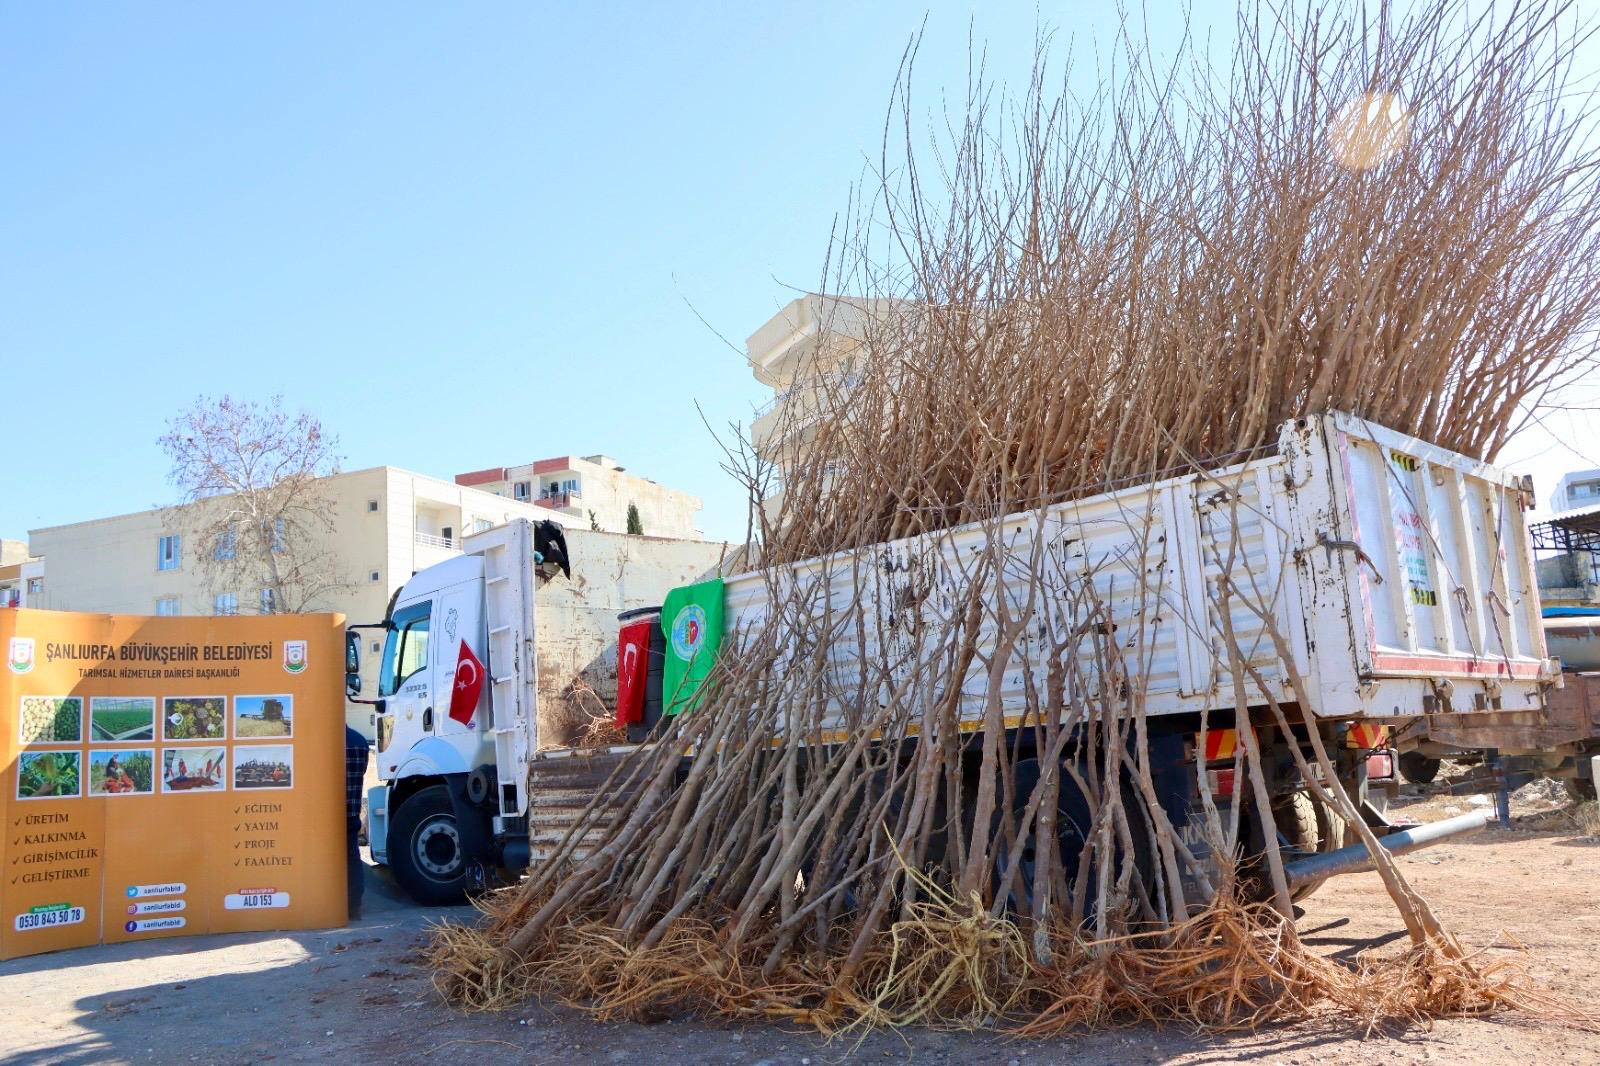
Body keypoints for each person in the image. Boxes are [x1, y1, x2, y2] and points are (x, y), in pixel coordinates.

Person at [345, 724, 370, 920]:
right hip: (351, 811)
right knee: (353, 860)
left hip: (326, 816)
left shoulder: (324, 742)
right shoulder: (360, 741)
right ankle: (354, 906)